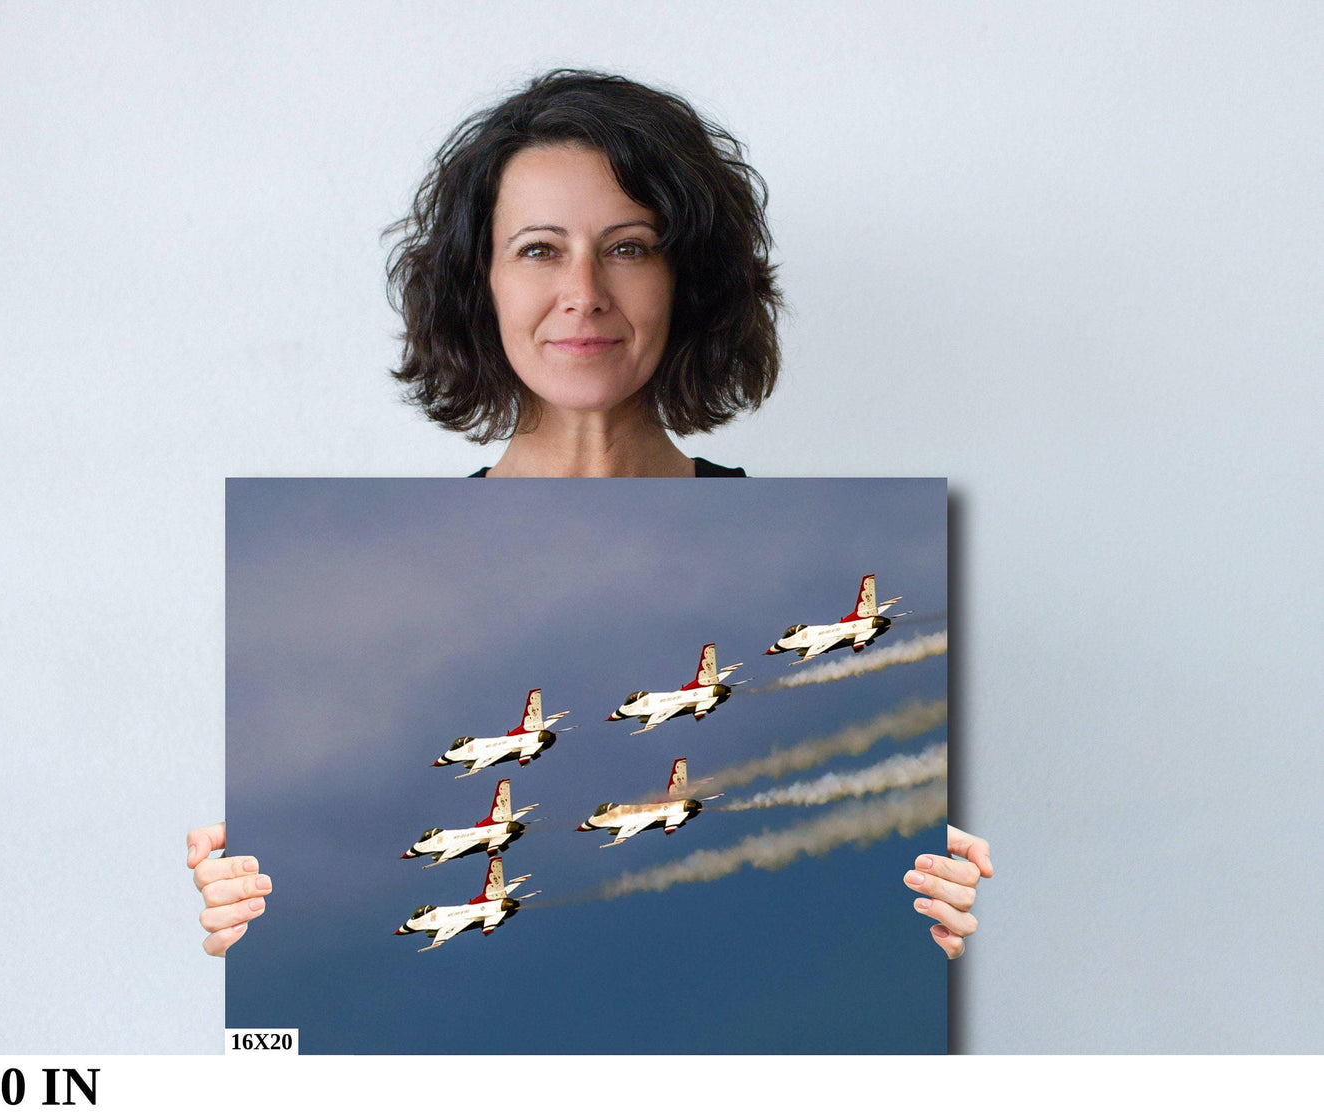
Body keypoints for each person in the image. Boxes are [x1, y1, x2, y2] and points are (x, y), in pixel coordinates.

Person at [187, 69, 991, 961]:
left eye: (629, 246)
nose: (584, 291)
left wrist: (927, 917)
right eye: (538, 249)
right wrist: (258, 921)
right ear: (478, 282)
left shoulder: (832, 552)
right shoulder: (349, 593)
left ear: (687, 281)